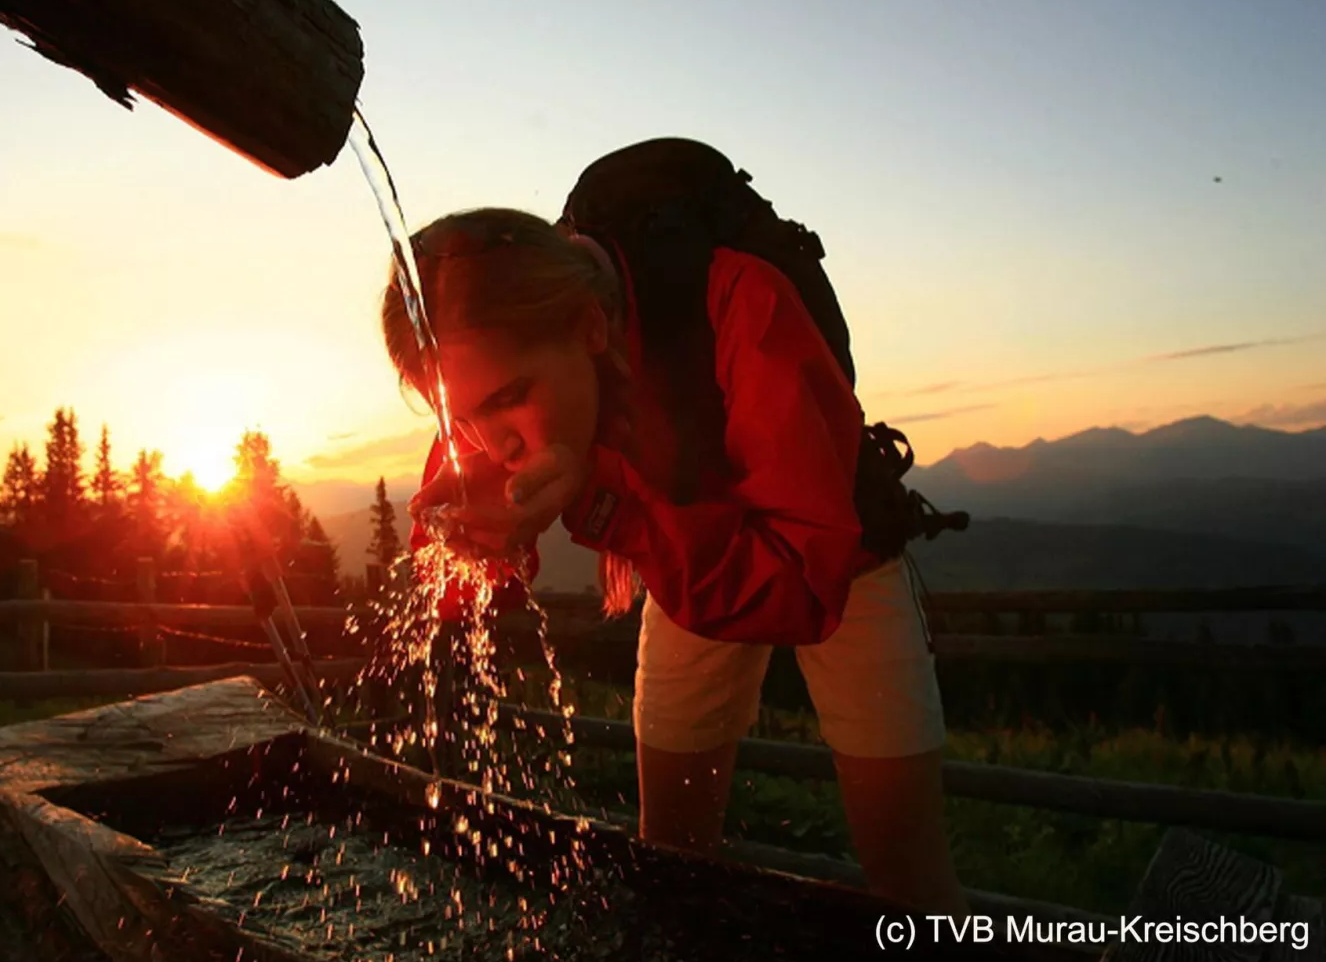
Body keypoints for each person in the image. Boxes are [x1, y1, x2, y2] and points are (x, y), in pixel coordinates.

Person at [381, 139, 970, 916]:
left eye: (506, 401)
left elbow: (800, 580)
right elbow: (465, 533)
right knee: (672, 859)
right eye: (464, 416)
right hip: (687, 563)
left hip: (839, 558)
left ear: (591, 329)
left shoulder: (742, 301)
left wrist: (597, 506)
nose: (494, 443)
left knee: (909, 886)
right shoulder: (497, 354)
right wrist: (478, 534)